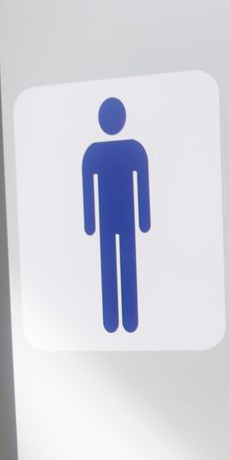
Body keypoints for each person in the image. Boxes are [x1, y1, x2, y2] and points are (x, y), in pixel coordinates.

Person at [81, 97, 151, 333]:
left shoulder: (104, 151)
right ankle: (116, 320)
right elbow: (88, 189)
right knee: (111, 265)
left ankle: (124, 320)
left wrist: (144, 220)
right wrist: (89, 223)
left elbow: (142, 185)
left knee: (120, 264)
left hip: (117, 219)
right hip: (114, 220)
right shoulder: (127, 150)